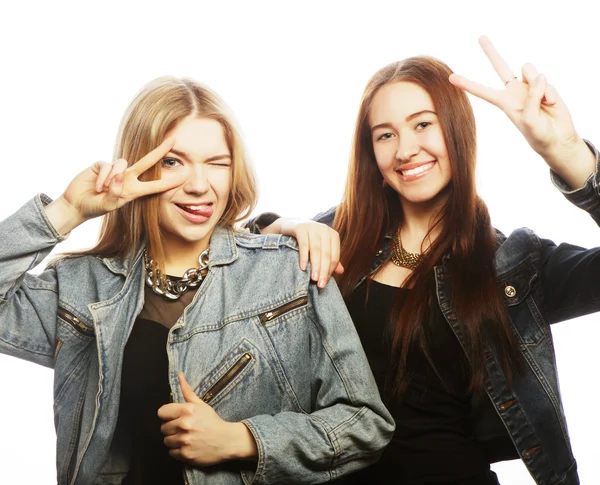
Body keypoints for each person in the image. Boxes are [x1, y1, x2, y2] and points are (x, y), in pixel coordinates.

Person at [0, 76, 394, 485]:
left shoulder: (289, 273)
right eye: (173, 161)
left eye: (217, 163)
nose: (199, 185)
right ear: (140, 166)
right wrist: (66, 210)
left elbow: (365, 423)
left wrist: (243, 440)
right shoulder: (85, 286)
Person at [251, 37, 598, 485]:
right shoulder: (339, 236)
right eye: (385, 134)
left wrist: (568, 153)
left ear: (457, 128)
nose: (405, 150)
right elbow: (225, 274)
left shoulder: (513, 266)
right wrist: (282, 228)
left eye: (422, 125)